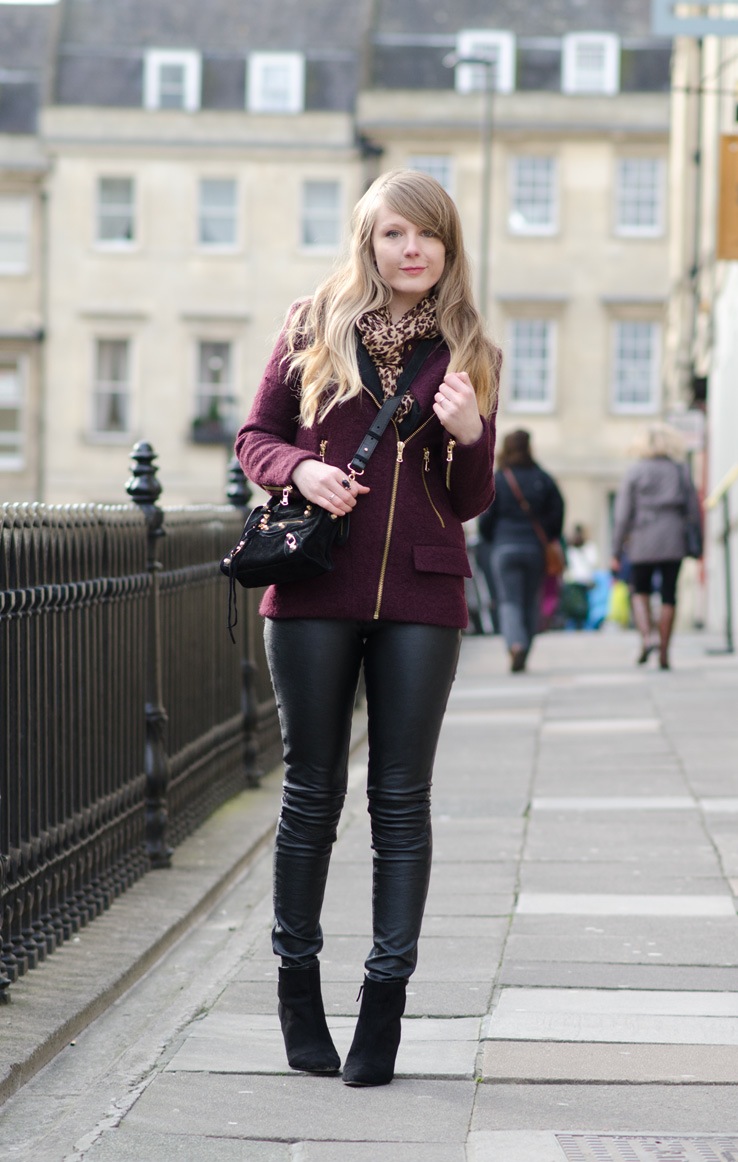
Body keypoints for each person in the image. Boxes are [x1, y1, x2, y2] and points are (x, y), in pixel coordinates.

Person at [235, 170, 500, 1086]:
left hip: (423, 597)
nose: (412, 250)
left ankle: (383, 1006)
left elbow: (468, 502)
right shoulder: (312, 324)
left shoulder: (469, 347)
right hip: (315, 588)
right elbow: (255, 436)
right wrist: (300, 472)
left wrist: (471, 434)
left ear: (448, 247)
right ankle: (297, 993)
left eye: (428, 235)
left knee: (401, 799)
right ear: (369, 242)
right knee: (312, 794)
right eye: (395, 234)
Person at [610, 423, 702, 670]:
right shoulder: (680, 470)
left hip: (642, 537)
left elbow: (622, 515)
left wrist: (616, 549)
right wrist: (697, 541)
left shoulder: (635, 471)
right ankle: (664, 651)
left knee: (639, 589)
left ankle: (647, 636)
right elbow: (693, 509)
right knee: (669, 593)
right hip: (674, 537)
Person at [478, 429, 564, 671]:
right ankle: (525, 646)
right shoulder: (543, 478)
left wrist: (491, 539)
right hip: (535, 548)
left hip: (504, 547)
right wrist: (549, 536)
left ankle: (515, 643)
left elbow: (485, 516)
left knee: (509, 601)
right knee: (530, 601)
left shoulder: (499, 478)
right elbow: (558, 512)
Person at [561, 523, 599, 629]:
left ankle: (583, 623)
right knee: (574, 604)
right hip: (573, 580)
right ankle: (574, 622)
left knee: (584, 604)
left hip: (586, 580)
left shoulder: (589, 547)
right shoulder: (570, 548)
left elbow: (593, 562)